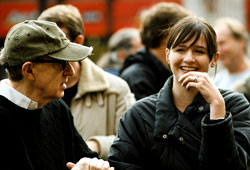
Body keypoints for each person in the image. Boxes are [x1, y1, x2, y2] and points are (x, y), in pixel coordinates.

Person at [108, 16, 250, 170]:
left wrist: (217, 111)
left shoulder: (236, 106)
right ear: (168, 55)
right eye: (180, 49)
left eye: (199, 51)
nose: (189, 59)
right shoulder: (139, 114)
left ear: (214, 59)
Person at [0, 20, 114, 170]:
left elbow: (85, 158)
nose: (70, 71)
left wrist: (97, 166)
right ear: (29, 70)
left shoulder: (56, 107)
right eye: (61, 63)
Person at [38, 4, 136, 160]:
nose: (51, 50)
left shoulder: (115, 88)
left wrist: (95, 145)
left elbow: (134, 141)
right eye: (44, 42)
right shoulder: (33, 88)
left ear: (78, 41)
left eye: (59, 43)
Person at [119, 2, 191, 100]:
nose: (190, 40)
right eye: (184, 33)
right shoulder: (137, 77)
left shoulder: (166, 70)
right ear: (167, 37)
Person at [213, 17, 250, 90]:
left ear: (241, 42)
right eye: (215, 45)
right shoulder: (215, 82)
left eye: (222, 43)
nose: (218, 50)